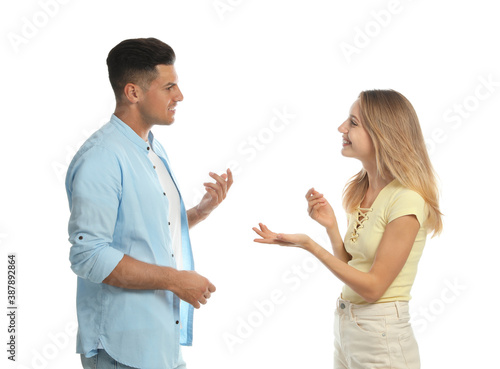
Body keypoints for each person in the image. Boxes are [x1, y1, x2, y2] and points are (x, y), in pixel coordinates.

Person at [65, 38, 233, 369]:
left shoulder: (151, 149)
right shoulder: (102, 158)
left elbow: (140, 229)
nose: (179, 96)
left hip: (159, 344)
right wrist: (175, 279)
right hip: (121, 349)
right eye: (169, 87)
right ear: (133, 93)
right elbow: (89, 255)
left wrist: (199, 212)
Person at [253, 89, 442, 369]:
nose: (342, 128)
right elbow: (354, 270)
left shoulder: (407, 200)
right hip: (348, 326)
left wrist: (310, 245)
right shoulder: (363, 190)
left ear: (382, 134)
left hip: (382, 334)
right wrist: (331, 228)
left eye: (353, 123)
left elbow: (374, 288)